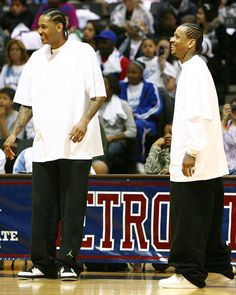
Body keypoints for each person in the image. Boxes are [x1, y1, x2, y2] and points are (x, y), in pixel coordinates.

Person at [3, 9, 106, 281]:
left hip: (76, 143)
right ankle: (43, 262)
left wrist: (83, 121)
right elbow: (27, 103)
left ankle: (69, 261)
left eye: (44, 26)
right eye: (39, 27)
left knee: (72, 208)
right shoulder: (36, 59)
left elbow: (98, 95)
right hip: (44, 143)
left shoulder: (83, 52)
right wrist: (14, 133)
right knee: (42, 207)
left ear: (61, 26)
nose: (39, 31)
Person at [159, 23, 234, 289]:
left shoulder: (194, 71)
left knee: (188, 217)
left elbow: (200, 116)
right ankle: (218, 267)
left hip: (195, 161)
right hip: (208, 163)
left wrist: (191, 152)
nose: (171, 39)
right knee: (209, 219)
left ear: (191, 42)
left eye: (177, 36)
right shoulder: (195, 69)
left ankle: (188, 273)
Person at [119, 60, 163, 172]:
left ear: (141, 73)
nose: (130, 75)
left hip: (145, 121)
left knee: (138, 126)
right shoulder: (121, 86)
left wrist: (137, 114)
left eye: (134, 72)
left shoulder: (150, 87)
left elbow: (156, 106)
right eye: (128, 72)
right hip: (124, 120)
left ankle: (140, 161)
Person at [100, 74, 137, 173]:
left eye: (104, 85)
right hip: (98, 139)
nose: (100, 87)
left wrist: (112, 137)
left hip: (115, 140)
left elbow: (132, 131)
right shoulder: (94, 105)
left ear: (112, 88)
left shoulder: (123, 105)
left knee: (110, 151)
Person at [221, 98, 236, 175]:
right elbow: (216, 142)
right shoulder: (224, 125)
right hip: (226, 169)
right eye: (234, 108)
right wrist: (224, 120)